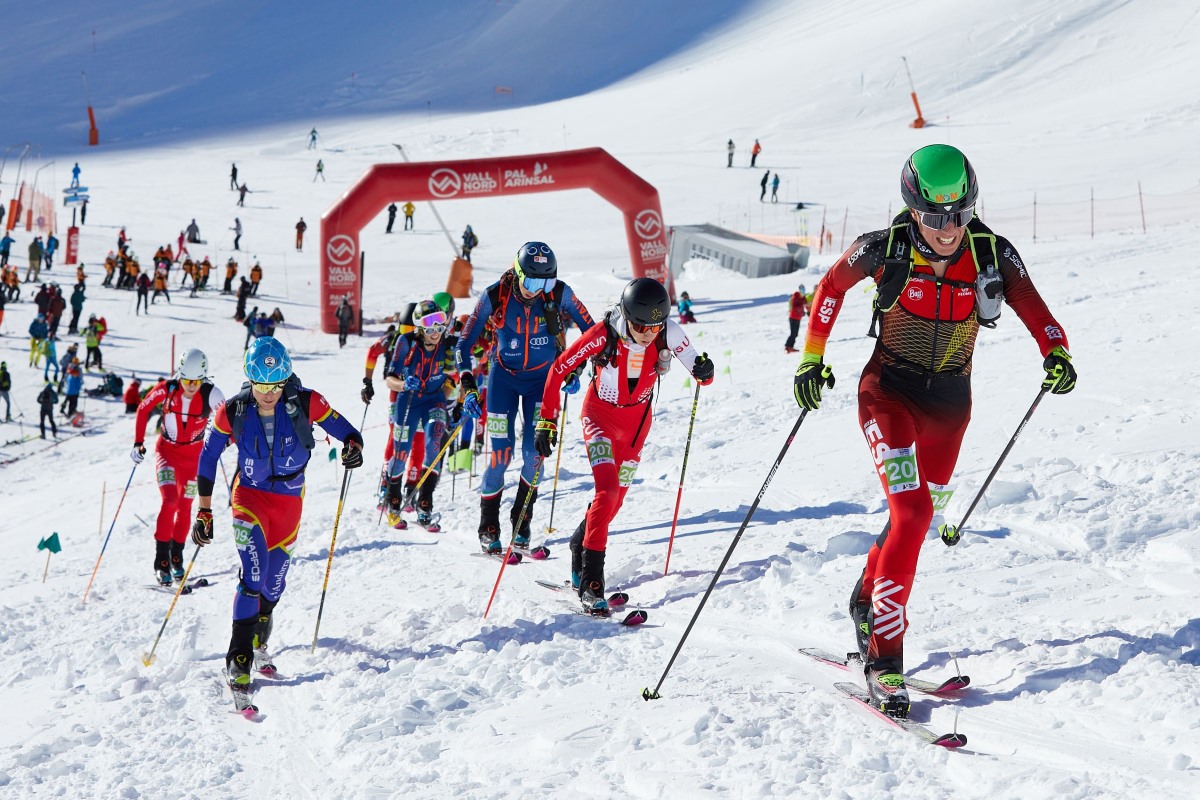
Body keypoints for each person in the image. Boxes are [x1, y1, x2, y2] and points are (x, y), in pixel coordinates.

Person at [791, 144, 1077, 719]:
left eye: (960, 214)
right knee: (912, 514)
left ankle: (866, 597)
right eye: (935, 216)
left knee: (919, 516)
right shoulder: (884, 246)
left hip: (951, 404)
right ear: (913, 208)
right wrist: (811, 357)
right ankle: (885, 656)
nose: (949, 230)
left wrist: (1056, 350)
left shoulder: (993, 254)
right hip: (887, 394)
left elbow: (1034, 308)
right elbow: (829, 288)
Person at [191, 336, 363, 687]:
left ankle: (259, 639)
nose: (268, 393)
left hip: (289, 503)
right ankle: (238, 657)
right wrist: (204, 511)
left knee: (274, 584)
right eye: (260, 385)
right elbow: (208, 457)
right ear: (250, 380)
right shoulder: (232, 410)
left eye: (275, 385)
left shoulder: (306, 401)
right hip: (248, 500)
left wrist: (354, 447)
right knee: (253, 574)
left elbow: (347, 431)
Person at [534, 278, 714, 612]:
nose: (648, 334)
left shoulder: (668, 332)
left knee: (614, 503)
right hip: (599, 418)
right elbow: (559, 369)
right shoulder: (604, 335)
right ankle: (592, 582)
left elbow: (700, 372)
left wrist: (704, 370)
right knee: (606, 492)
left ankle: (579, 546)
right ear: (626, 315)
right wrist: (546, 419)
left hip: (636, 427)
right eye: (640, 326)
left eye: (654, 327)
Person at [455, 242, 595, 553]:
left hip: (542, 384)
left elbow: (593, 332)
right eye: (531, 282)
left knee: (535, 455)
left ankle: (522, 520)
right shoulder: (495, 295)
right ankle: (489, 525)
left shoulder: (560, 293)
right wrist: (468, 384)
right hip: (503, 380)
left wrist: (576, 367)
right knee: (501, 457)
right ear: (518, 273)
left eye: (545, 282)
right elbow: (463, 345)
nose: (537, 290)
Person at [133, 349, 225, 585]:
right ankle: (161, 561)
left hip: (194, 458)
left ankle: (176, 559)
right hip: (167, 453)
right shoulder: (167, 389)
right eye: (187, 380)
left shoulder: (211, 394)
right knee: (170, 500)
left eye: (196, 381)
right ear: (179, 375)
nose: (191, 386)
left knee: (185, 507)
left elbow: (226, 417)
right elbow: (143, 408)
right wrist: (138, 443)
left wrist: (225, 438)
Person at [381, 300, 456, 530]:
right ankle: (393, 502)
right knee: (402, 451)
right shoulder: (407, 342)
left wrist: (460, 399)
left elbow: (455, 377)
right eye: (429, 325)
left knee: (434, 441)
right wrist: (403, 384)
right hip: (409, 400)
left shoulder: (449, 344)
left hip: (434, 399)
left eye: (440, 324)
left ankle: (425, 504)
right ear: (419, 326)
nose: (435, 331)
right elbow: (389, 379)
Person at [784, 284, 808, 353]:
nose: (803, 291)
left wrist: (804, 311)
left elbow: (805, 304)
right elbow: (794, 308)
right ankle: (787, 346)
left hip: (798, 318)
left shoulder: (803, 297)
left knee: (795, 334)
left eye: (803, 289)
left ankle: (790, 347)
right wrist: (802, 306)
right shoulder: (795, 296)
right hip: (793, 317)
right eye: (801, 289)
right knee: (793, 333)